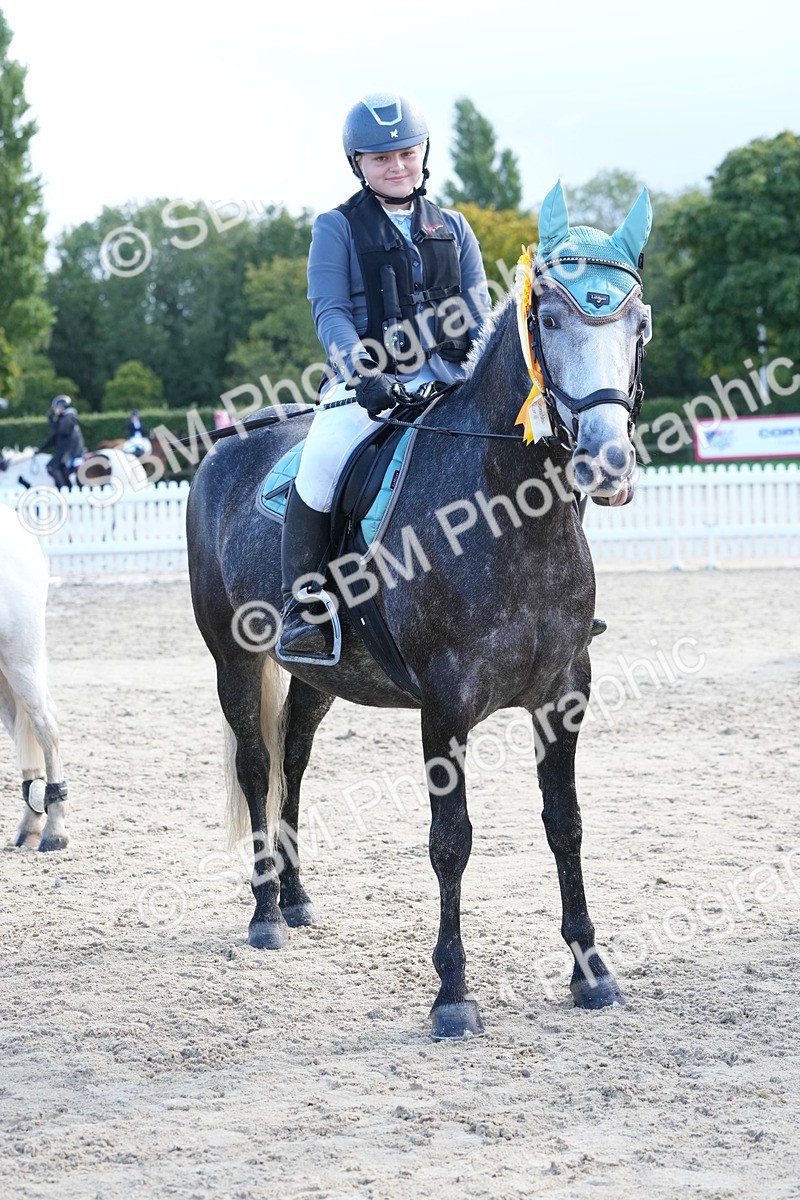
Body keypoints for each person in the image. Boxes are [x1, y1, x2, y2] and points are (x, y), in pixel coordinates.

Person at [278, 92, 492, 660]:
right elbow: (331, 312)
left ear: (424, 153)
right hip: (370, 390)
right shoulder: (337, 227)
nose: (397, 167)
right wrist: (362, 373)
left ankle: (556, 594)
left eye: (406, 153)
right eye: (380, 158)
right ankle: (302, 605)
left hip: (451, 384)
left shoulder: (455, 227)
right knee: (322, 459)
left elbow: (479, 313)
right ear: (358, 164)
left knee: (531, 446)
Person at [38, 395, 86, 489]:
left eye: (57, 407)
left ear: (63, 406)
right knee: (54, 466)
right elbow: (55, 437)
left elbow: (61, 431)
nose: (56, 410)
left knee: (52, 466)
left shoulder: (69, 416)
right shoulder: (64, 418)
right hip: (66, 450)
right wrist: (41, 449)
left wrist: (52, 422)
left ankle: (64, 488)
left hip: (71, 451)